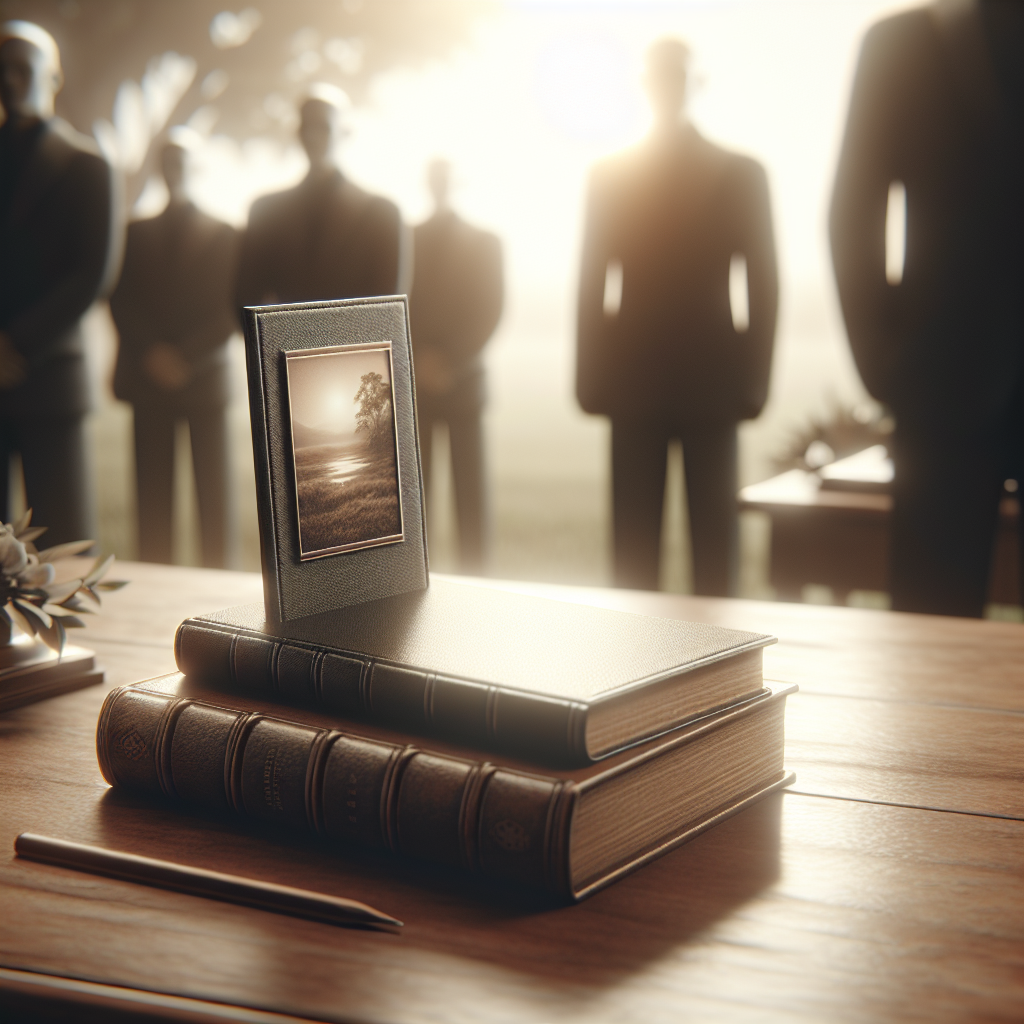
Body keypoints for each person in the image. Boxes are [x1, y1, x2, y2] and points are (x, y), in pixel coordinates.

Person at [830, 0, 1022, 617]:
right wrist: (887, 368)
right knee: (928, 642)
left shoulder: (901, 42)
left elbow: (852, 210)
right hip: (939, 386)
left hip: (938, 375)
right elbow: (853, 214)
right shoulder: (899, 43)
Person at [576, 38, 778, 595]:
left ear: (695, 84)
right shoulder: (609, 174)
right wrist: (588, 382)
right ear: (647, 86)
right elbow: (592, 279)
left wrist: (754, 383)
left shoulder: (742, 173)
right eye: (661, 77)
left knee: (718, 556)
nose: (668, 87)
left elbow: (764, 283)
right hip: (635, 381)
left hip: (710, 383)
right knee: (632, 558)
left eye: (677, 77)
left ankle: (723, 672)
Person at [0, 20, 119, 544]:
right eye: (1, 68)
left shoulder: (88, 165)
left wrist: (13, 343)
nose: (9, 79)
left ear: (54, 77)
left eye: (22, 68)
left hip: (51, 374)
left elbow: (93, 274)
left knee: (64, 548)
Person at [109, 132, 239, 567]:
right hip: (149, 383)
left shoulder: (228, 234)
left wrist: (187, 357)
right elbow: (121, 299)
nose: (174, 168)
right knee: (151, 508)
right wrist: (152, 354)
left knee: (215, 507)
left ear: (194, 167)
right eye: (167, 160)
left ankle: (221, 603)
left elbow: (233, 306)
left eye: (181, 160)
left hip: (205, 381)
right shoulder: (133, 233)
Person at [409, 159, 503, 573]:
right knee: (416, 502)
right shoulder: (406, 238)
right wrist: (421, 360)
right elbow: (398, 302)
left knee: (471, 501)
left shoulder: (487, 242)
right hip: (417, 384)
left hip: (464, 384)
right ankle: (414, 583)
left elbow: (491, 310)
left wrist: (449, 361)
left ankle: (478, 581)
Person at [235, 84, 404, 310]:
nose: (313, 137)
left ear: (345, 133)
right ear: (298, 133)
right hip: (283, 344)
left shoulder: (383, 214)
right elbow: (244, 299)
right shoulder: (264, 212)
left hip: (357, 344)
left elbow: (387, 309)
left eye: (324, 127)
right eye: (308, 127)